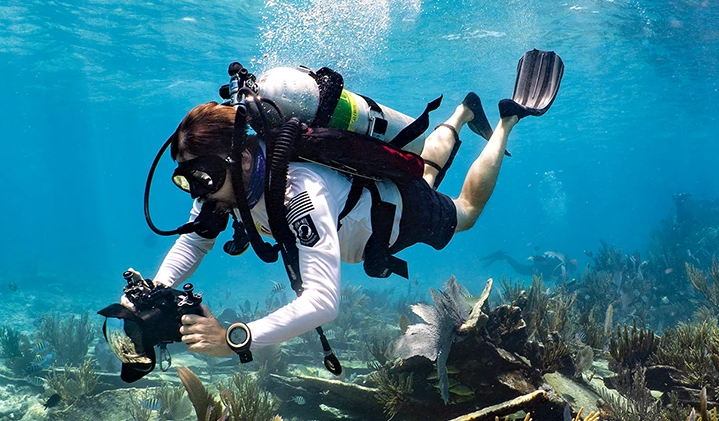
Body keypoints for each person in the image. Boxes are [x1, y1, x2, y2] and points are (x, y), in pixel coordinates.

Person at [134, 50, 564, 361]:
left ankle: (507, 122)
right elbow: (194, 243)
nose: (197, 193)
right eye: (186, 181)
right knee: (427, 169)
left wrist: (233, 337)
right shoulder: (229, 179)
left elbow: (323, 302)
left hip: (395, 216)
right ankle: (460, 116)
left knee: (464, 211)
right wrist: (151, 292)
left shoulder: (297, 193)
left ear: (233, 158)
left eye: (201, 178)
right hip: (371, 198)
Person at [480, 249, 577, 283]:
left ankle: (503, 256)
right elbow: (545, 264)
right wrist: (537, 269)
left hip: (536, 269)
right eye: (572, 269)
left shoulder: (559, 263)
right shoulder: (561, 267)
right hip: (534, 269)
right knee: (518, 269)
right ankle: (504, 255)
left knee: (519, 268)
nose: (570, 272)